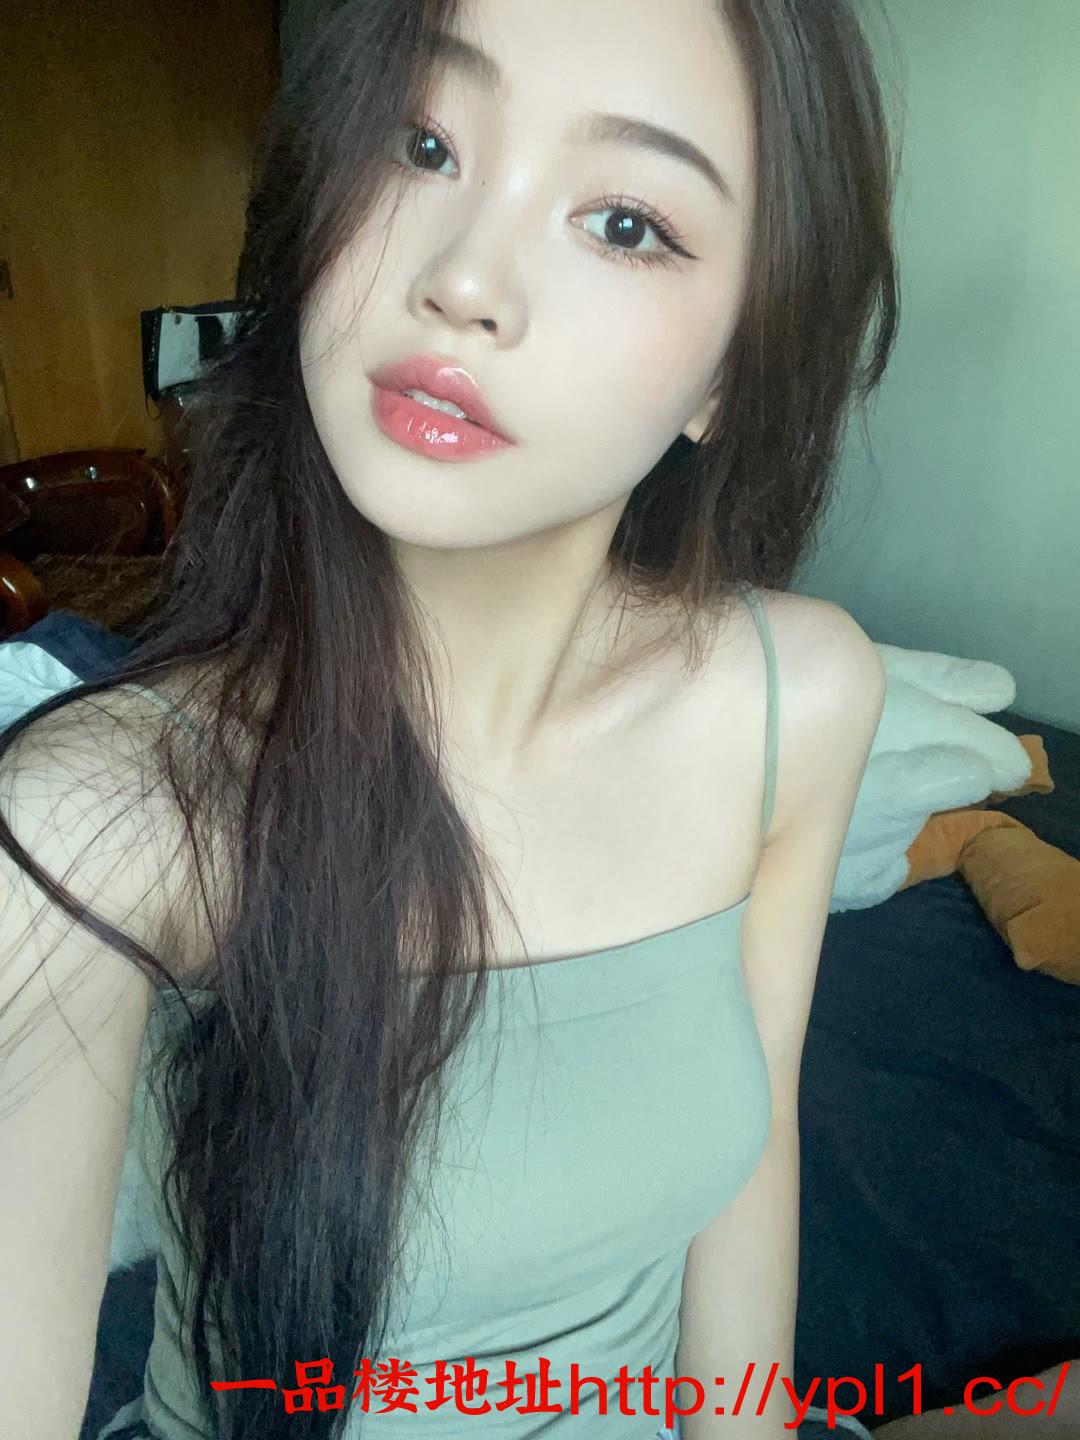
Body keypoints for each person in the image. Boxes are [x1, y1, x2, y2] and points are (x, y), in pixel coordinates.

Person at [0, 0, 899, 1436]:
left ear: (732, 372)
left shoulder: (797, 699)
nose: (465, 278)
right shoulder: (105, 815)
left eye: (625, 223)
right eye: (422, 145)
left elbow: (756, 1148)